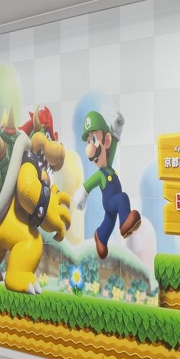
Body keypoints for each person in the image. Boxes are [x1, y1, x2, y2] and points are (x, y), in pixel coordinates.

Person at [74, 110, 140, 259]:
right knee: (123, 198)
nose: (90, 148)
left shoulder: (108, 164)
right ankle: (125, 222)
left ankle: (101, 237)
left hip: (111, 205)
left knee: (109, 222)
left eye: (94, 139)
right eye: (89, 142)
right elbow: (88, 185)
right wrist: (83, 193)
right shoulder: (100, 174)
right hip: (111, 201)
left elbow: (113, 146)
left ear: (106, 141)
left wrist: (115, 130)